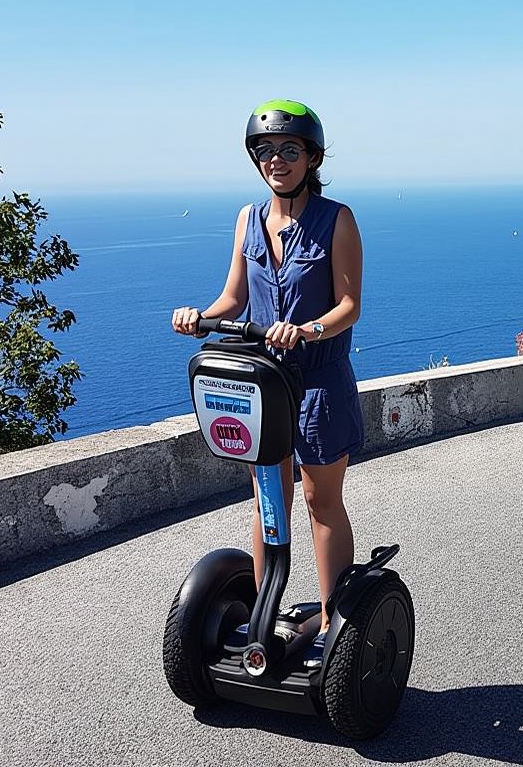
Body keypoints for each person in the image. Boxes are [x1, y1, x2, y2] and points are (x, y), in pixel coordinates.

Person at [172, 99, 364, 646]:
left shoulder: (337, 220)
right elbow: (233, 298)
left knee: (320, 501)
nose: (276, 160)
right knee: (268, 500)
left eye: (288, 150)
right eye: (265, 151)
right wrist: (200, 317)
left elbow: (349, 306)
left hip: (320, 381)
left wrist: (307, 330)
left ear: (312, 157)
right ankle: (266, 618)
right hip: (263, 382)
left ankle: (332, 623)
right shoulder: (247, 220)